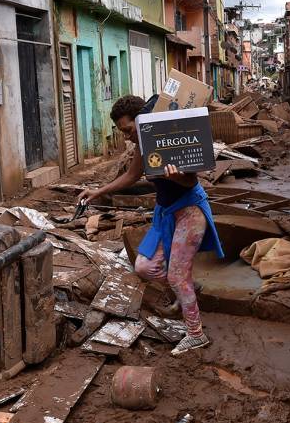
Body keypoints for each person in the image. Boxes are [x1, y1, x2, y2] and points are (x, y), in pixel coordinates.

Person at [78, 95, 224, 355]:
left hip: (190, 210)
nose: (127, 137)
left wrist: (175, 174)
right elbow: (131, 175)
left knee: (177, 275)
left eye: (128, 130)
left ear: (142, 120)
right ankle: (188, 290)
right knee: (145, 267)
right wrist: (97, 192)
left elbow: (190, 182)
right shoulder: (144, 145)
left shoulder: (168, 139)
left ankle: (196, 334)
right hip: (166, 212)